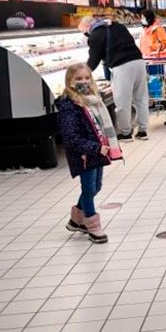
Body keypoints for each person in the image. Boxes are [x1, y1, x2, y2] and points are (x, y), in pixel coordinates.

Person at [56, 63, 123, 244]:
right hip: (84, 155)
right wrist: (95, 148)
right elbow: (71, 137)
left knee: (97, 186)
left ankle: (76, 218)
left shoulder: (92, 99)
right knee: (88, 189)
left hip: (98, 152)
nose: (83, 82)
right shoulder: (69, 105)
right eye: (78, 79)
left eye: (86, 78)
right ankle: (93, 225)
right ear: (69, 81)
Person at [80, 16, 149, 141]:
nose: (86, 35)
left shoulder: (96, 35)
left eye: (84, 32)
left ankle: (126, 133)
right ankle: (143, 130)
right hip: (139, 62)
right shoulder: (117, 25)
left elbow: (93, 60)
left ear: (87, 27)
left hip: (122, 66)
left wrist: (81, 74)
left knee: (122, 101)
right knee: (141, 98)